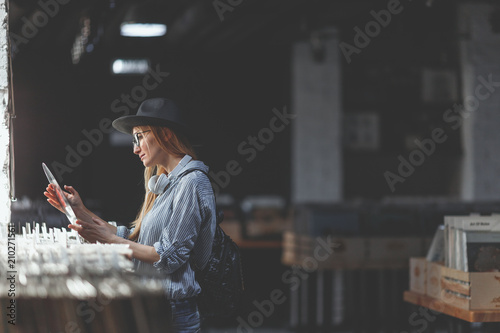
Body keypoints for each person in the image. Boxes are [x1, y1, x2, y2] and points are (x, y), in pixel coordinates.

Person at [44, 98, 216, 333]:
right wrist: (78, 212)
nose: (135, 148)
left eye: (139, 137)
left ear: (165, 134)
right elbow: (136, 240)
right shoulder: (166, 183)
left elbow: (166, 257)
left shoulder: (192, 182)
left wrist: (111, 241)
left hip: (174, 314)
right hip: (156, 308)